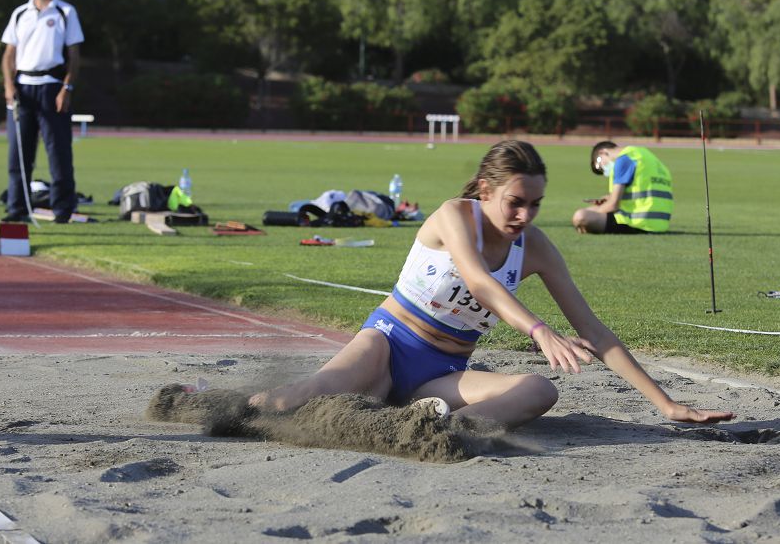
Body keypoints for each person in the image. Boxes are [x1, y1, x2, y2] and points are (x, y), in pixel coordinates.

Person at [250, 140, 733, 428]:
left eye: (536, 204)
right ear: (486, 191)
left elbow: (596, 333)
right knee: (299, 398)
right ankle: (204, 403)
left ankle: (434, 432)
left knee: (540, 390)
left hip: (443, 375)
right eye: (515, 202)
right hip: (387, 345)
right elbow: (480, 281)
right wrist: (539, 330)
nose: (525, 215)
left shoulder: (536, 248)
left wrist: (667, 404)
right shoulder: (454, 215)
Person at [1, 0, 85, 223]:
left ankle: (62, 210)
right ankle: (17, 208)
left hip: (52, 87)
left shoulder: (66, 12)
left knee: (58, 152)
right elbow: (8, 55)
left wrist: (66, 87)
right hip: (23, 88)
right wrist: (8, 84)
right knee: (19, 154)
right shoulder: (19, 14)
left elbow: (74, 55)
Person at [571, 141, 673, 234]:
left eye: (599, 166)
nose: (604, 170)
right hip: (659, 224)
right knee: (592, 211)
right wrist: (608, 199)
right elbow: (644, 193)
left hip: (637, 223)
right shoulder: (646, 157)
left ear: (602, 153)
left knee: (581, 216)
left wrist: (596, 211)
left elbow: (613, 205)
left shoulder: (623, 159)